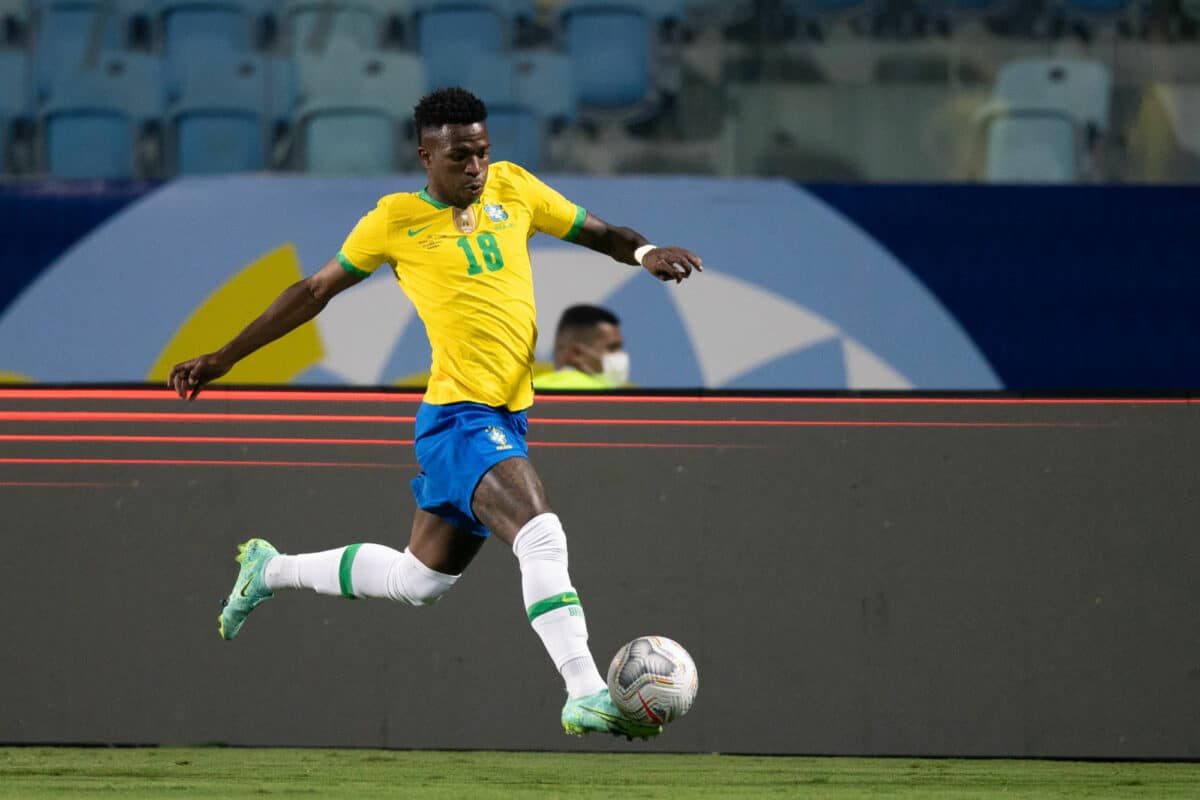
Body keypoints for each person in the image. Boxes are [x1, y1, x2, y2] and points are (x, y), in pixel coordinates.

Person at [167, 87, 702, 741]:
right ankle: (585, 690)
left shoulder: (516, 189)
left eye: (481, 152)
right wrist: (224, 356)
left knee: (416, 579)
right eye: (458, 156)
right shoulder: (394, 221)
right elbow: (311, 292)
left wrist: (646, 254)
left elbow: (602, 234)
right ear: (425, 155)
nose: (474, 167)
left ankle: (269, 569)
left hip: (507, 415)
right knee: (541, 534)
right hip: (458, 418)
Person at [533, 304, 629, 390]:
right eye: (612, 348)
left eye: (620, 348)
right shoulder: (608, 398)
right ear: (577, 353)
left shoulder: (530, 391)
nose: (620, 355)